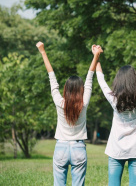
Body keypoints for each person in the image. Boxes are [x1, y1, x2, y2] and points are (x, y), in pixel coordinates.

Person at [36, 42, 102, 186]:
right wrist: (96, 55)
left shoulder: (60, 103)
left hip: (61, 148)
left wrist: (43, 52)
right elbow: (90, 78)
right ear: (81, 90)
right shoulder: (83, 103)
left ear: (66, 89)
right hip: (79, 148)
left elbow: (51, 77)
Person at [95, 42, 136, 186]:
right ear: (135, 79)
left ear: (118, 81)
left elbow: (101, 79)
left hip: (116, 149)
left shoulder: (114, 98)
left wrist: (96, 57)